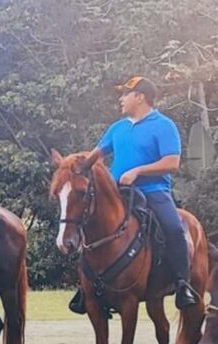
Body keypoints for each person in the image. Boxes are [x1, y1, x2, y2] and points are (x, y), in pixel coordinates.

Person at [68, 76, 198, 314]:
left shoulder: (164, 125)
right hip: (118, 192)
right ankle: (85, 287)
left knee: (173, 228)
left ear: (140, 97)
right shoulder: (117, 128)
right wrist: (75, 167)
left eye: (125, 94)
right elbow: (94, 155)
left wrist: (137, 171)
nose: (121, 99)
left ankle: (182, 283)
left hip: (153, 191)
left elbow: (172, 163)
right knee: (90, 225)